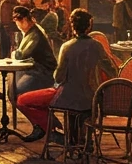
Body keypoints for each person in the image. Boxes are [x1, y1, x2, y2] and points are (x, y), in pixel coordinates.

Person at [15, 9, 118, 142]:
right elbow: (112, 71)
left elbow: (58, 77)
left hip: (67, 97)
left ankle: (52, 130)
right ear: (89, 27)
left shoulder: (66, 47)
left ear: (73, 27)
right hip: (90, 98)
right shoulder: (97, 46)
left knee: (23, 100)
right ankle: (72, 136)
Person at [9, 6, 58, 101]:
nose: (17, 25)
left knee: (16, 91)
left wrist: (14, 54)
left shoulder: (35, 34)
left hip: (42, 73)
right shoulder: (30, 31)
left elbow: (21, 55)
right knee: (13, 90)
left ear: (24, 20)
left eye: (17, 22)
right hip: (34, 70)